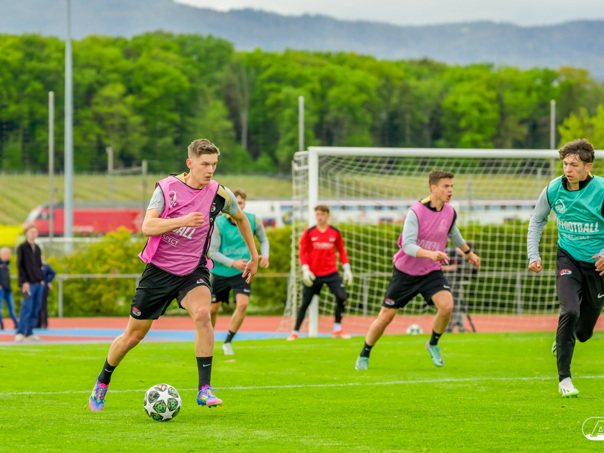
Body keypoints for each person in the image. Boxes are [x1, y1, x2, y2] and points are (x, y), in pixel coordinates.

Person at [89, 139, 258, 412]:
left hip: (193, 271)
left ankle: (204, 389)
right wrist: (183, 220)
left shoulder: (220, 194)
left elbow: (242, 219)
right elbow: (147, 226)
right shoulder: (167, 188)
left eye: (214, 164)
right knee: (132, 337)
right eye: (205, 164)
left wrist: (254, 256)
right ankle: (103, 380)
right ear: (190, 163)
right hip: (158, 272)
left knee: (203, 314)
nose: (210, 170)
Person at [355, 171, 480, 370]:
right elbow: (407, 245)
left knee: (447, 306)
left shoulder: (450, 212)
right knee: (385, 317)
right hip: (405, 273)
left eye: (452, 186)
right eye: (446, 186)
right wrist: (431, 254)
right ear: (433, 188)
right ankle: (364, 353)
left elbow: (452, 232)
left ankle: (433, 344)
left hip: (430, 271)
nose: (450, 190)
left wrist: (468, 253)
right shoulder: (416, 211)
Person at [528, 139, 604, 398]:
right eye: (565, 164)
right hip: (568, 259)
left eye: (574, 165)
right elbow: (537, 220)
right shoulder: (553, 189)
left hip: (597, 265)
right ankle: (565, 379)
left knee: (583, 333)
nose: (568, 169)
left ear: (588, 167)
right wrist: (533, 254)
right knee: (569, 310)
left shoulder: (601, 190)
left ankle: (563, 339)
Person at [209, 189, 270, 355]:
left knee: (242, 305)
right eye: (235, 203)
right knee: (212, 310)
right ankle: (208, 338)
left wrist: (265, 254)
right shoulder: (218, 223)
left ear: (244, 204)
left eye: (241, 203)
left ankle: (228, 341)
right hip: (221, 272)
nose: (238, 206)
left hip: (242, 272)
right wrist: (233, 263)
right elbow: (212, 252)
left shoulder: (252, 219)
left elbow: (263, 239)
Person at [287, 204, 353, 340]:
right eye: (317, 214)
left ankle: (337, 329)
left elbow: (341, 250)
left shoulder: (335, 232)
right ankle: (295, 332)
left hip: (331, 273)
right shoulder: (309, 232)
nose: (320, 217)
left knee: (342, 297)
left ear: (327, 215)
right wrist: (305, 270)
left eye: (322, 214)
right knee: (305, 302)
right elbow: (302, 252)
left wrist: (347, 269)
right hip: (313, 274)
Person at [16, 224, 45, 342]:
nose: (33, 234)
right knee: (26, 308)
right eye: (31, 232)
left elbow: (39, 265)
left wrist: (42, 279)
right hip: (28, 284)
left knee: (35, 308)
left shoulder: (37, 248)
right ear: (27, 233)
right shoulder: (22, 247)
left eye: (35, 232)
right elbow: (20, 266)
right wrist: (23, 282)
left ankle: (29, 332)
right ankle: (20, 332)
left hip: (38, 283)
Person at [0, 247, 18, 330]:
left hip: (8, 289)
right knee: (0, 307)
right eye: (8, 254)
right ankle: (1, 324)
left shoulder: (7, 263)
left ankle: (16, 324)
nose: (9, 256)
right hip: (1, 289)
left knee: (11, 307)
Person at [36, 263, 56, 329]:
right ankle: (37, 323)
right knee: (37, 305)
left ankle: (44, 323)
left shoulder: (46, 266)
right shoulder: (35, 266)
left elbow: (53, 273)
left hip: (44, 288)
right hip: (36, 288)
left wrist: (47, 281)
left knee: (43, 306)